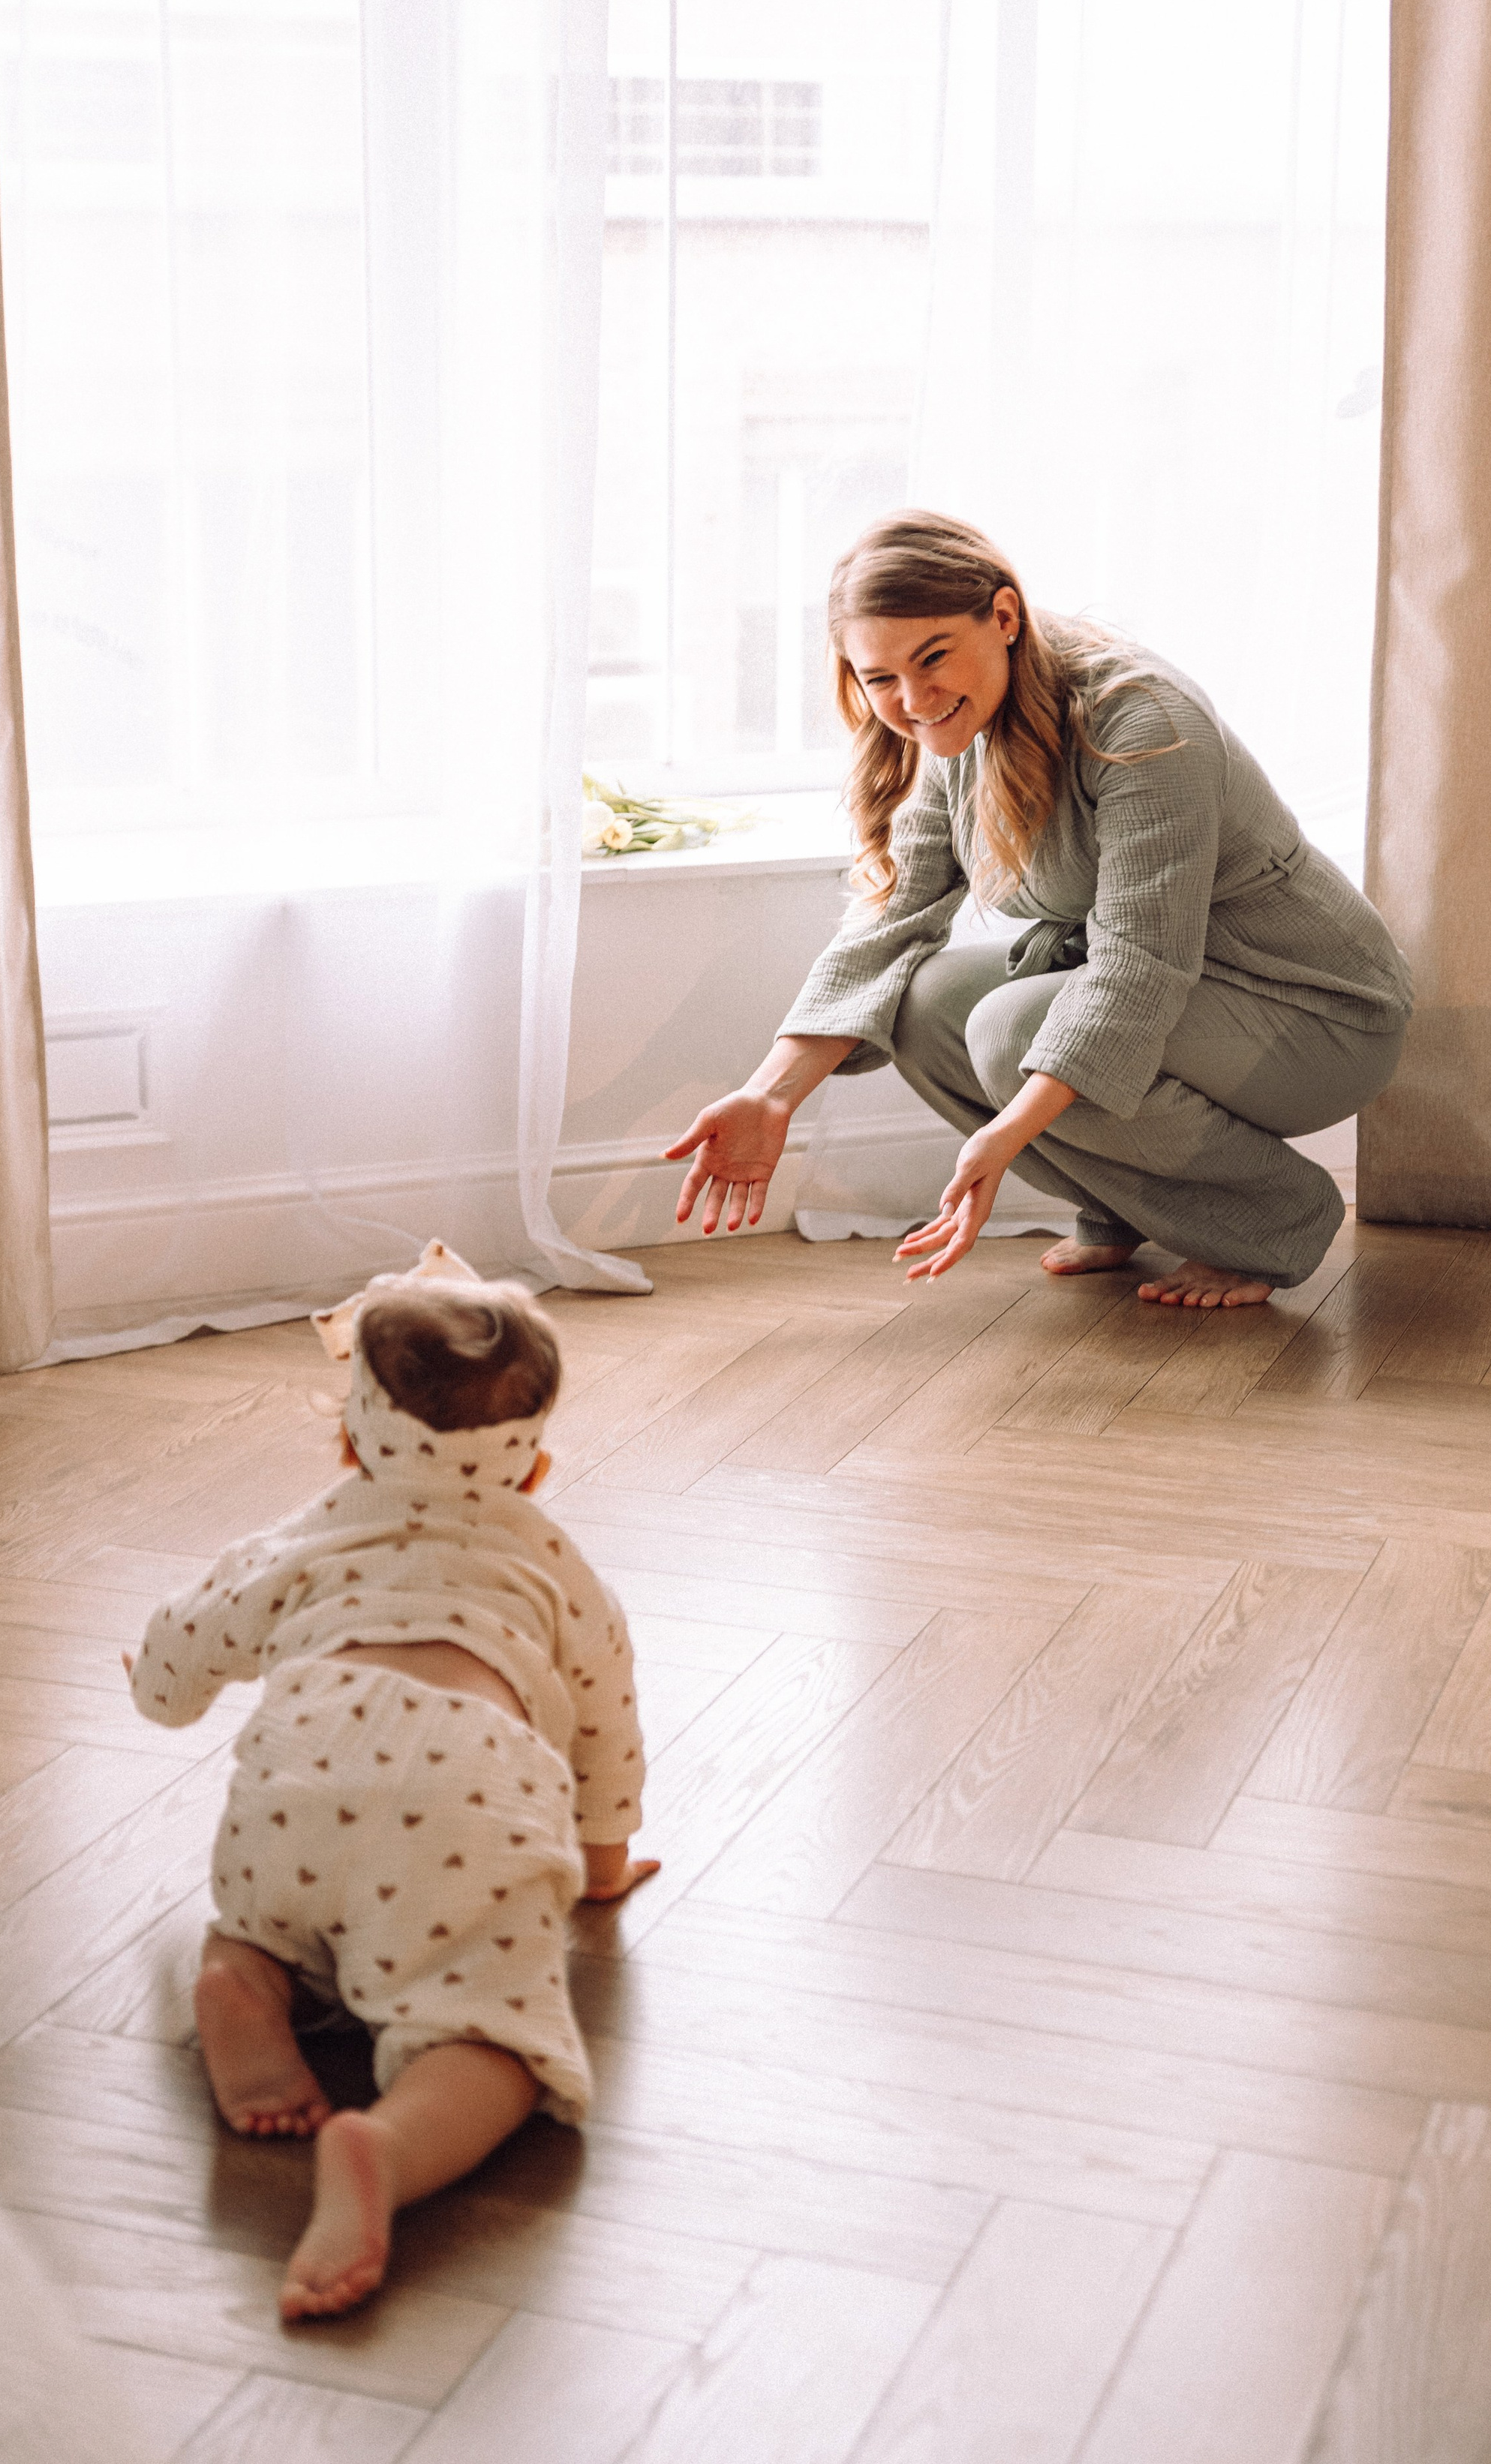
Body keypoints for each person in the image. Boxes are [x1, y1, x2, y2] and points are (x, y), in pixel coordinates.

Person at [666, 512, 1412, 1305]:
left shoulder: (1145, 722)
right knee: (921, 1004)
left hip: (1314, 1010)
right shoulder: (959, 731)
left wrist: (1006, 1131)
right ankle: (1127, 1207)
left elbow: (1137, 965)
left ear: (1004, 616)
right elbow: (891, 926)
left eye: (932, 657)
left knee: (1009, 1028)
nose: (912, 700)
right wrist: (770, 1093)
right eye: (879, 678)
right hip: (1189, 992)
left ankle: (1272, 1218)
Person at [125, 1242, 654, 2321]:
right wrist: (601, 1868)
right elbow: (605, 1721)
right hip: (471, 1790)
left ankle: (249, 1977)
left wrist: (155, 1688)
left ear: (346, 1446)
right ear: (535, 1468)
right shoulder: (554, 1564)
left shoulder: (309, 1535)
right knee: (490, 2039)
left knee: (264, 1922)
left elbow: (190, 1639)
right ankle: (390, 2147)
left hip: (300, 1770)